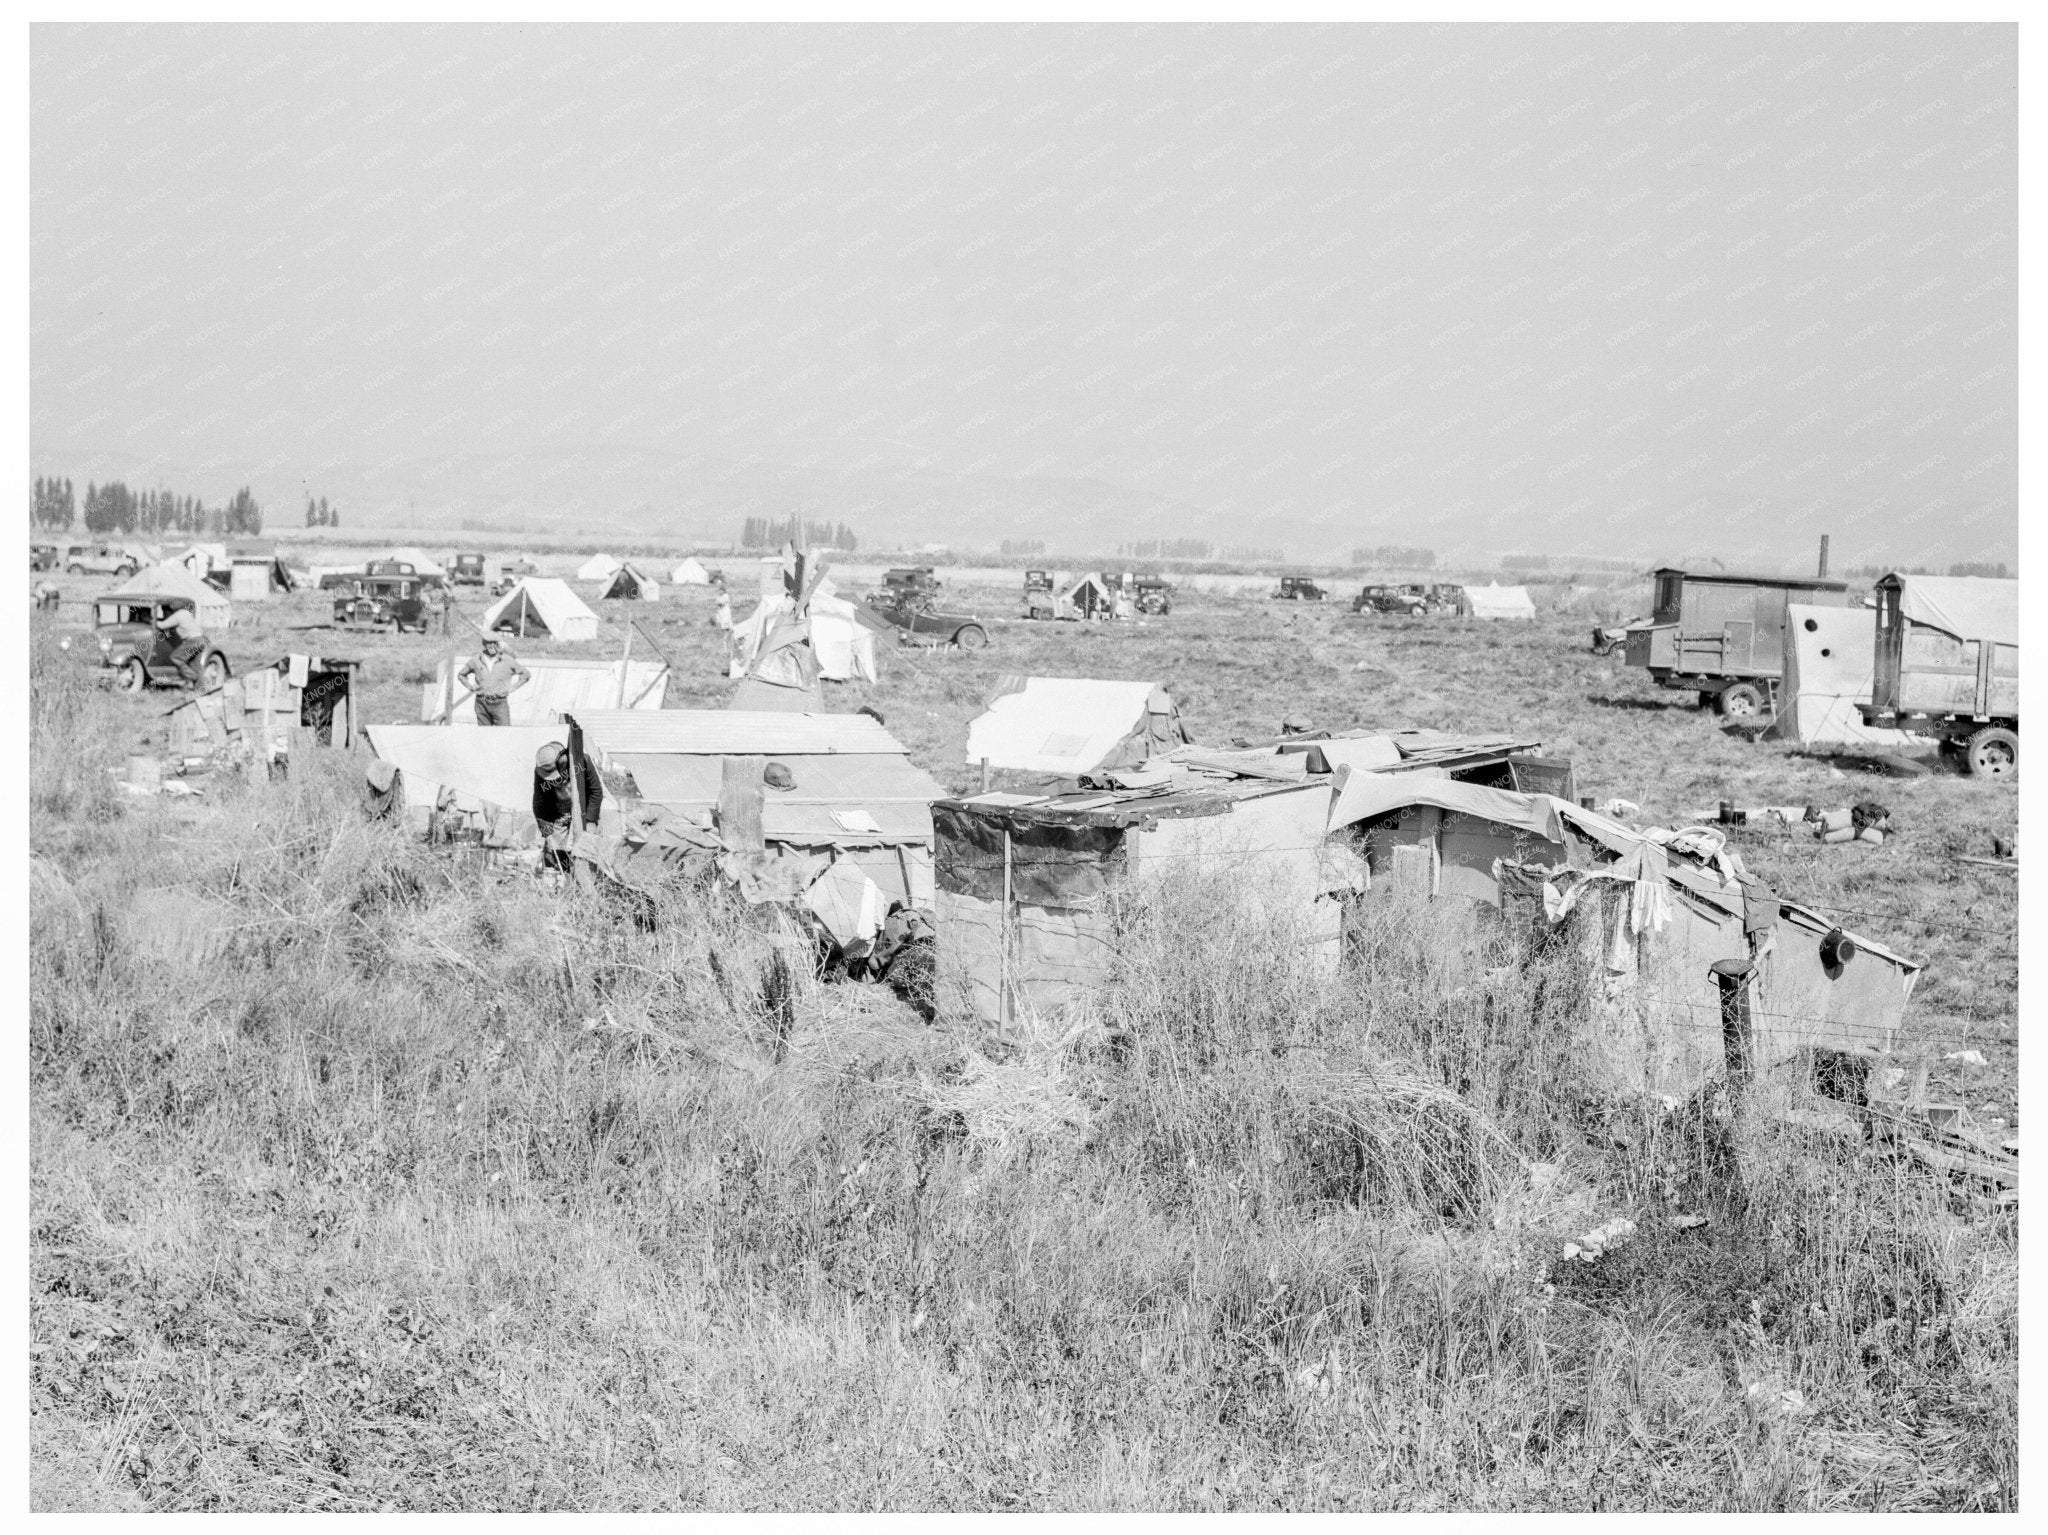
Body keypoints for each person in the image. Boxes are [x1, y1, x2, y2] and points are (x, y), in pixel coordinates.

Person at [532, 740, 604, 869]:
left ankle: (587, 883)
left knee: (587, 851)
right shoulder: (540, 771)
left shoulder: (583, 761)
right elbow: (539, 803)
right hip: (559, 814)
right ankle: (560, 881)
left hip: (584, 812)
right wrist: (547, 834)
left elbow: (596, 791)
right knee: (554, 854)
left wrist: (591, 821)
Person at [456, 635, 531, 726]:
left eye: (494, 643)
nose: (491, 646)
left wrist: (513, 688)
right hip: (481, 703)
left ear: (498, 644)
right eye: (488, 643)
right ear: (484, 644)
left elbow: (525, 675)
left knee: (504, 734)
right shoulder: (476, 660)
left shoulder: (507, 660)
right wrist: (470, 687)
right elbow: (461, 675)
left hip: (499, 703)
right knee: (483, 736)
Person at [153, 601, 207, 685]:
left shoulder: (177, 615)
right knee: (195, 665)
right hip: (201, 639)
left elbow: (162, 626)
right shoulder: (186, 613)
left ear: (173, 609)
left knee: (176, 657)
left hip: (192, 640)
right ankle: (200, 689)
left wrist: (151, 620)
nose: (165, 612)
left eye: (166, 610)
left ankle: (193, 676)